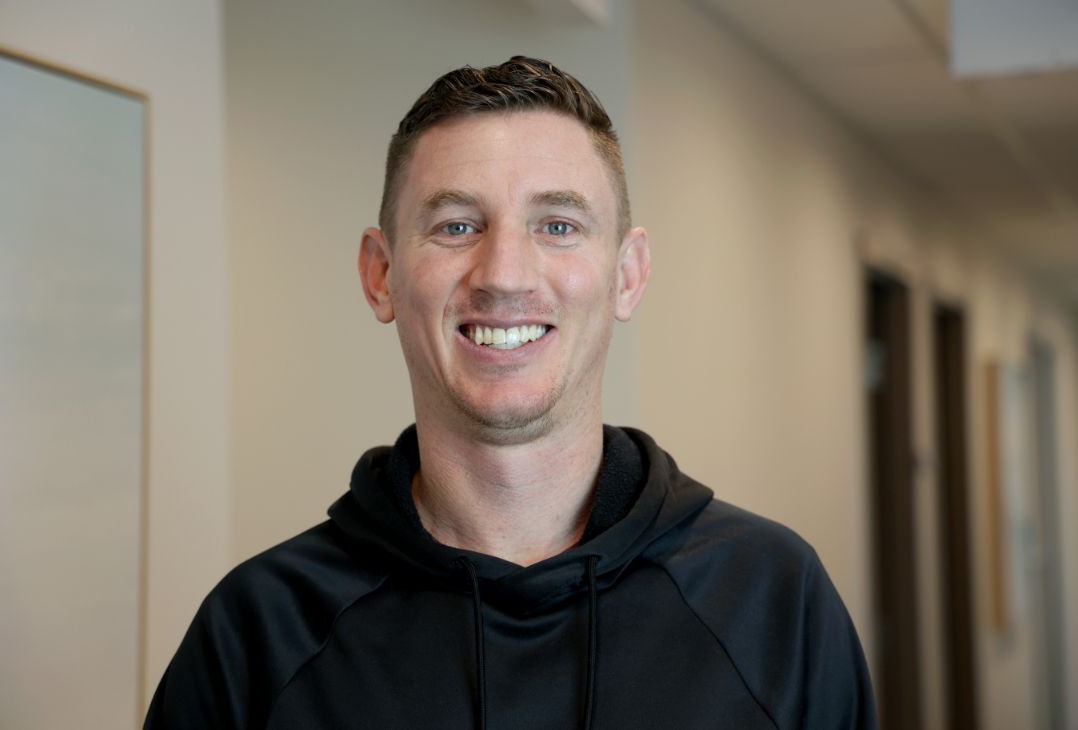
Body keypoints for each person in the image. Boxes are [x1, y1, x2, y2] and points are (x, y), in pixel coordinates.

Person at [144, 56, 875, 729]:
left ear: (627, 274)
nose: (504, 274)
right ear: (380, 274)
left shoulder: (771, 599)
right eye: (457, 225)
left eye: (557, 226)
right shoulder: (258, 631)